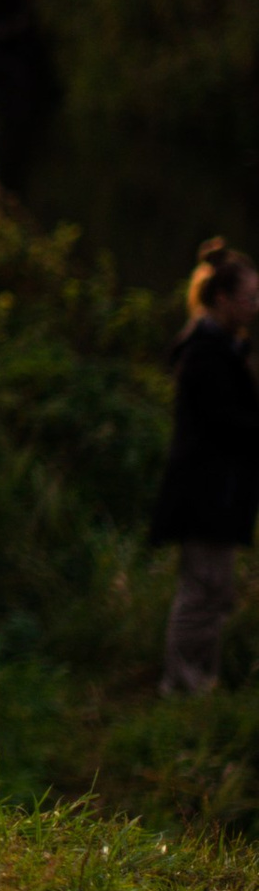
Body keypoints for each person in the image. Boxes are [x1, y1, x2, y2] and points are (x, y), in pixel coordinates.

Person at [151, 238, 259, 696]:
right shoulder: (206, 354)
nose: (255, 307)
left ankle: (198, 683)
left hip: (217, 492)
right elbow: (226, 425)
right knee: (202, 593)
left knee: (214, 593)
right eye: (249, 298)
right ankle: (182, 686)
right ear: (222, 299)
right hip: (206, 494)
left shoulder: (221, 350)